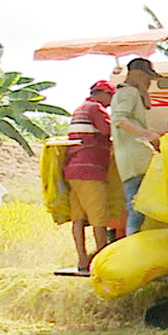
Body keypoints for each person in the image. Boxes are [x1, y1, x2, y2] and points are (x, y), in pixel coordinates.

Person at [64, 80, 116, 271]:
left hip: (73, 170)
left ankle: (82, 259)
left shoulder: (79, 110)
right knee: (99, 217)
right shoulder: (96, 108)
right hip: (90, 170)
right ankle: (102, 259)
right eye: (110, 97)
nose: (110, 103)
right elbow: (107, 130)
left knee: (78, 218)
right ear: (101, 93)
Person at [110, 58, 164, 234]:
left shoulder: (126, 93)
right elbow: (119, 119)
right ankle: (133, 242)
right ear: (139, 74)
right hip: (136, 160)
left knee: (138, 205)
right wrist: (148, 135)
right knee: (138, 207)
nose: (149, 84)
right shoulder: (129, 93)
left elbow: (133, 119)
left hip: (132, 160)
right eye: (148, 79)